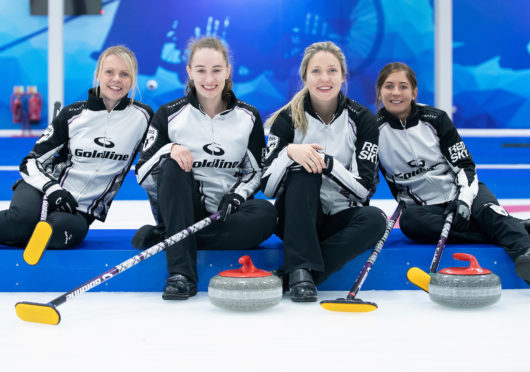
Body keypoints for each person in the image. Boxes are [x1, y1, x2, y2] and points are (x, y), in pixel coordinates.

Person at [133, 37, 278, 300]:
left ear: (228, 71)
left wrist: (238, 195)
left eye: (216, 70)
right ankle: (181, 275)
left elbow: (256, 172)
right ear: (189, 72)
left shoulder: (249, 116)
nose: (209, 79)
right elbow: (142, 174)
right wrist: (169, 150)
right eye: (200, 70)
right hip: (182, 210)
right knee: (173, 167)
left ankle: (170, 239)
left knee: (267, 213)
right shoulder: (168, 114)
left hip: (226, 215)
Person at [375, 62, 530, 283]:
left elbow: (465, 165)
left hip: (464, 192)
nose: (396, 92)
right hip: (426, 209)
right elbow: (368, 176)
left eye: (403, 86)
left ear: (414, 92)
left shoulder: (435, 119)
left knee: (488, 212)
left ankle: (526, 255)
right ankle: (513, 225)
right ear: (380, 91)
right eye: (389, 86)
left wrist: (464, 201)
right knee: (410, 223)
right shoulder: (373, 131)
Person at [261, 41, 387, 302]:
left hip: (340, 219)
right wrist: (289, 153)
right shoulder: (287, 119)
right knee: (305, 171)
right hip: (297, 220)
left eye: (332, 70)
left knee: (376, 220)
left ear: (343, 76)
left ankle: (298, 274)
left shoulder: (363, 119)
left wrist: (328, 163)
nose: (324, 78)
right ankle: (301, 272)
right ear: (305, 76)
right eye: (316, 71)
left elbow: (364, 188)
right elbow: (268, 188)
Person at [0, 45, 153, 251]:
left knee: (53, 235)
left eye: (124, 74)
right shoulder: (72, 114)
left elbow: (159, 151)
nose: (116, 79)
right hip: (42, 189)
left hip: (80, 211)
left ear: (133, 79)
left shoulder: (143, 117)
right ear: (98, 74)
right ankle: (21, 228)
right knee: (20, 223)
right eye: (109, 72)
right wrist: (52, 189)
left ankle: (26, 233)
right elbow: (29, 162)